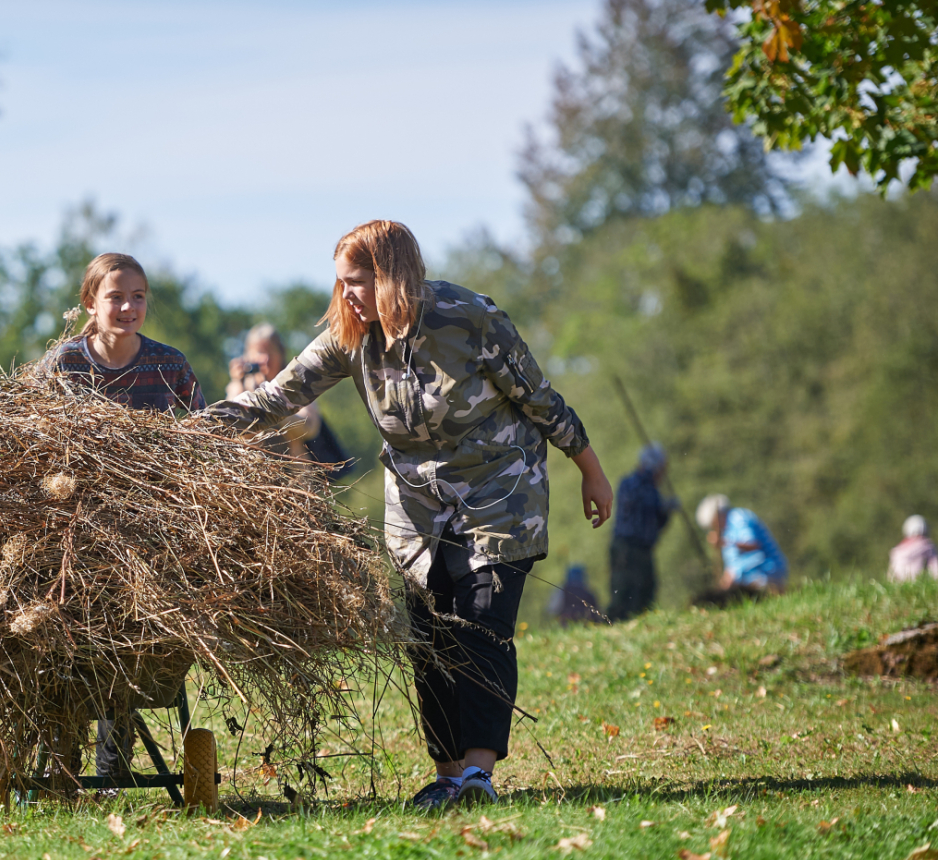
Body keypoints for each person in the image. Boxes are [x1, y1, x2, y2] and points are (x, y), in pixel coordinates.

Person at [205, 220, 612, 809]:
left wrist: (590, 469)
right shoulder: (350, 336)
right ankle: (446, 775)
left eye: (360, 282)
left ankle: (478, 776)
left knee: (481, 626)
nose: (347, 295)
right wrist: (188, 432)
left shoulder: (468, 317)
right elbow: (277, 397)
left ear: (394, 276)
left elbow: (538, 397)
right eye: (341, 282)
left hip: (499, 490)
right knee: (428, 635)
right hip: (418, 505)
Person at [41, 252, 206, 787]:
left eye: (138, 296)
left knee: (133, 641)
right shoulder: (65, 364)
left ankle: (114, 758)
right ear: (91, 302)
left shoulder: (169, 365)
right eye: (115, 296)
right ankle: (61, 759)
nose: (128, 306)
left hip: (150, 527)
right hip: (72, 524)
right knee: (66, 637)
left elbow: (203, 439)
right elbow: (29, 439)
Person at [227, 324, 354, 477]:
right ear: (248, 356)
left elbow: (309, 426)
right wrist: (238, 382)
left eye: (270, 352)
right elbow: (231, 425)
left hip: (294, 482)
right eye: (260, 352)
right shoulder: (241, 387)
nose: (265, 359)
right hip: (255, 480)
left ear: (281, 353)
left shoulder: (295, 385)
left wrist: (270, 410)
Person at [606, 443, 677, 621]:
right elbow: (637, 505)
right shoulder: (631, 483)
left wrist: (666, 512)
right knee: (623, 590)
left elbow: (656, 524)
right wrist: (662, 505)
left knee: (646, 591)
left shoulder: (653, 490)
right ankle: (614, 625)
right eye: (662, 468)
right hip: (626, 547)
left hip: (644, 550)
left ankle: (641, 623)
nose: (663, 474)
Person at [695, 494, 787, 597]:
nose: (714, 528)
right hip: (752, 576)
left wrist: (724, 542)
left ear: (718, 517)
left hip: (767, 570)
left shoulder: (738, 518)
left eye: (713, 524)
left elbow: (753, 545)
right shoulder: (727, 531)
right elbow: (734, 564)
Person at [888, 515, 938, 582]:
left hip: (899, 585)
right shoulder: (927, 546)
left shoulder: (897, 550)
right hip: (917, 583)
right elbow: (935, 568)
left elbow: (891, 575)